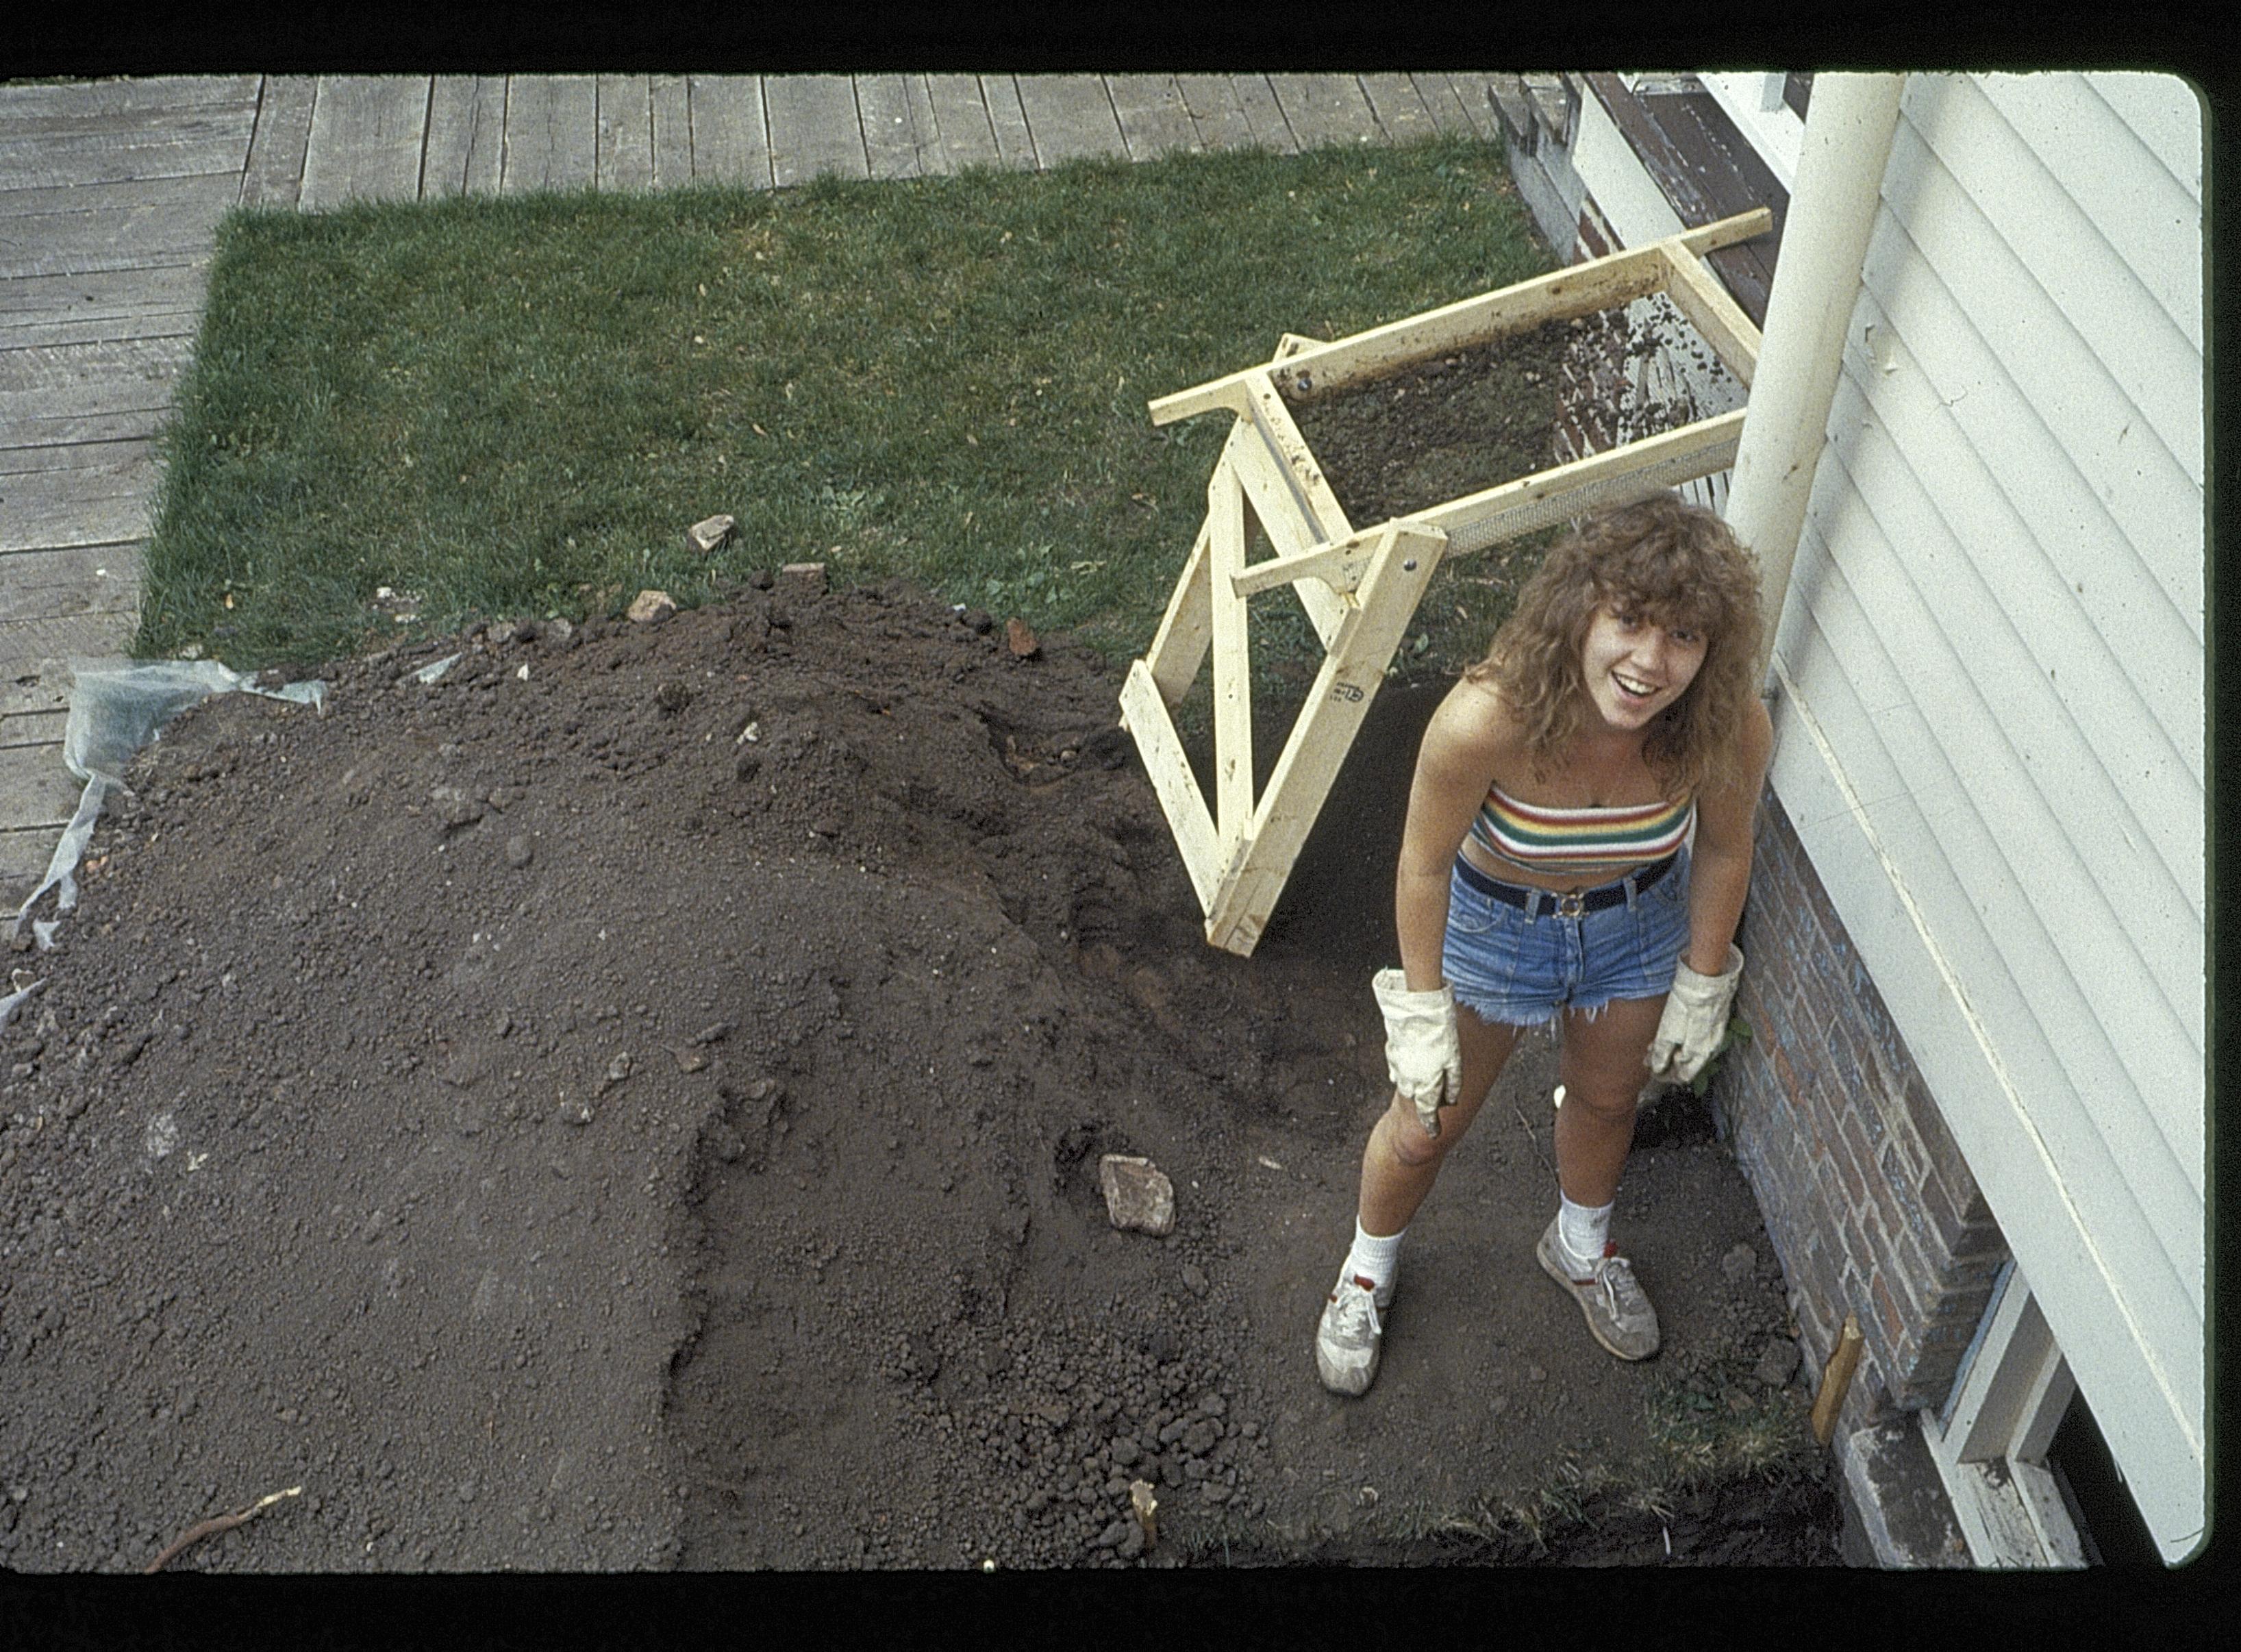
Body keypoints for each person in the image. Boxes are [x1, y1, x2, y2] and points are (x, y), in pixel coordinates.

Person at [1316, 492, 1772, 1396]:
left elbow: (1725, 847)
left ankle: (1579, 1247)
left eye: (1683, 637)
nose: (1649, 663)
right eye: (1630, 621)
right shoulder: (1487, 720)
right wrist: (1420, 1007)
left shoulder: (1727, 725)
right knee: (1423, 1127)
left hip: (1634, 924)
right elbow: (1423, 865)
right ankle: (1365, 1272)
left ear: (1710, 652)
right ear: (1581, 613)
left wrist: (1701, 981)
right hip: (1494, 928)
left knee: (1607, 1105)